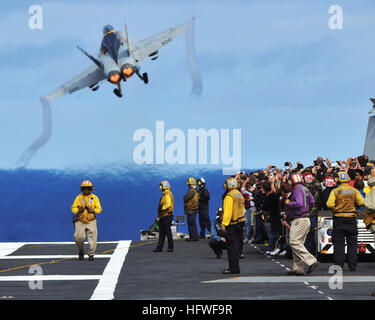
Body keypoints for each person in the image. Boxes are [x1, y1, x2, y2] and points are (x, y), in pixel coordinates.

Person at [326, 171, 364, 271]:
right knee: (352, 243)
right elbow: (361, 202)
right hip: (351, 219)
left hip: (339, 219)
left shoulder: (335, 191)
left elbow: (329, 204)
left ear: (338, 180)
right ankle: (352, 266)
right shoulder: (354, 190)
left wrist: (336, 207)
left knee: (339, 243)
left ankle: (339, 266)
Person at [284, 173, 319, 275]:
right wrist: (306, 209)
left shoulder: (297, 190)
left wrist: (288, 203)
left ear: (291, 182)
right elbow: (312, 202)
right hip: (306, 219)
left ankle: (312, 261)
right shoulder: (305, 189)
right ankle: (298, 269)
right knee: (298, 245)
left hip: (299, 219)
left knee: (294, 242)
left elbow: (299, 203)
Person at [71, 180, 102, 261]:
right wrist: (78, 210)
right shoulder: (79, 198)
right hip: (80, 220)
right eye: (84, 188)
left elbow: (99, 209)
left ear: (90, 189)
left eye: (88, 188)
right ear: (82, 189)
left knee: (93, 238)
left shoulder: (94, 198)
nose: (86, 190)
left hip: (91, 220)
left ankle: (91, 254)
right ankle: (81, 251)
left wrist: (93, 210)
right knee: (78, 238)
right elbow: (73, 207)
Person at [221, 177, 245, 274]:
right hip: (240, 222)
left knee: (231, 247)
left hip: (232, 224)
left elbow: (227, 212)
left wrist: (224, 224)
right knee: (237, 246)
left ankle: (233, 268)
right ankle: (235, 267)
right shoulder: (239, 194)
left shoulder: (229, 196)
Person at [153, 181, 174, 252]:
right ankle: (159, 248)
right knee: (162, 232)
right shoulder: (165, 194)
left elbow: (168, 204)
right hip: (163, 216)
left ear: (164, 186)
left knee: (167, 232)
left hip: (166, 216)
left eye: (161, 186)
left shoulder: (167, 194)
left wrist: (162, 208)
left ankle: (170, 247)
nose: (160, 187)